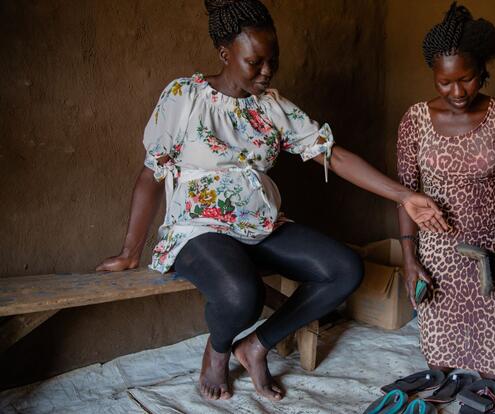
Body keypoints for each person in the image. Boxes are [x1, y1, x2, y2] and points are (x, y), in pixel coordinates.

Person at [97, 0, 449, 401]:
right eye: (255, 62)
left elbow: (333, 155)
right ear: (225, 54)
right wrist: (130, 251)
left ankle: (256, 346)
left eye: (273, 61)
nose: (266, 71)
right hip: (199, 230)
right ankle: (218, 351)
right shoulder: (184, 96)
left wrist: (404, 196)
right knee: (240, 294)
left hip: (261, 225)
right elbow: (149, 175)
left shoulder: (272, 107)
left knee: (344, 268)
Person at [396, 2, 495, 382]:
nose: (457, 91)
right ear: (433, 76)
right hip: (435, 257)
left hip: (488, 256)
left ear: (483, 71)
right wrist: (410, 258)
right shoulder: (415, 120)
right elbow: (405, 195)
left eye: (467, 78)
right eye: (445, 82)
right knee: (438, 367)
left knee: (494, 370)